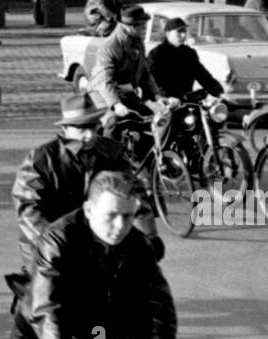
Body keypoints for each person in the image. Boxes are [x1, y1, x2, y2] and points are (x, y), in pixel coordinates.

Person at [10, 170, 176, 339]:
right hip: (41, 337)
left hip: (97, 331)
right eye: (111, 215)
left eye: (127, 216)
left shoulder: (136, 245)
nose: (120, 225)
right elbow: (46, 312)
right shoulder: (58, 240)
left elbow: (160, 308)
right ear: (88, 209)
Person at [13, 94, 163, 279]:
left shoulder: (111, 151)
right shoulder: (41, 159)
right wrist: (55, 243)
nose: (90, 134)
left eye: (93, 126)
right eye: (82, 128)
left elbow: (132, 194)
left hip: (96, 237)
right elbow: (28, 208)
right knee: (49, 296)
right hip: (47, 240)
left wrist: (149, 235)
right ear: (65, 128)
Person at [91, 5, 154, 127]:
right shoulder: (110, 47)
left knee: (149, 118)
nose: (145, 29)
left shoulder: (138, 43)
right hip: (102, 96)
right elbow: (104, 81)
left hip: (126, 94)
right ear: (131, 27)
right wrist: (116, 104)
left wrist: (156, 95)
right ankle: (107, 145)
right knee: (113, 123)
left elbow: (145, 73)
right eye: (142, 26)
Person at [146, 16, 223, 102]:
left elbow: (203, 76)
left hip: (186, 101)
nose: (183, 35)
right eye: (179, 32)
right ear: (168, 34)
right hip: (164, 103)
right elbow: (151, 82)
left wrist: (219, 93)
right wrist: (163, 97)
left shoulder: (189, 53)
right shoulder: (156, 54)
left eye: (184, 31)